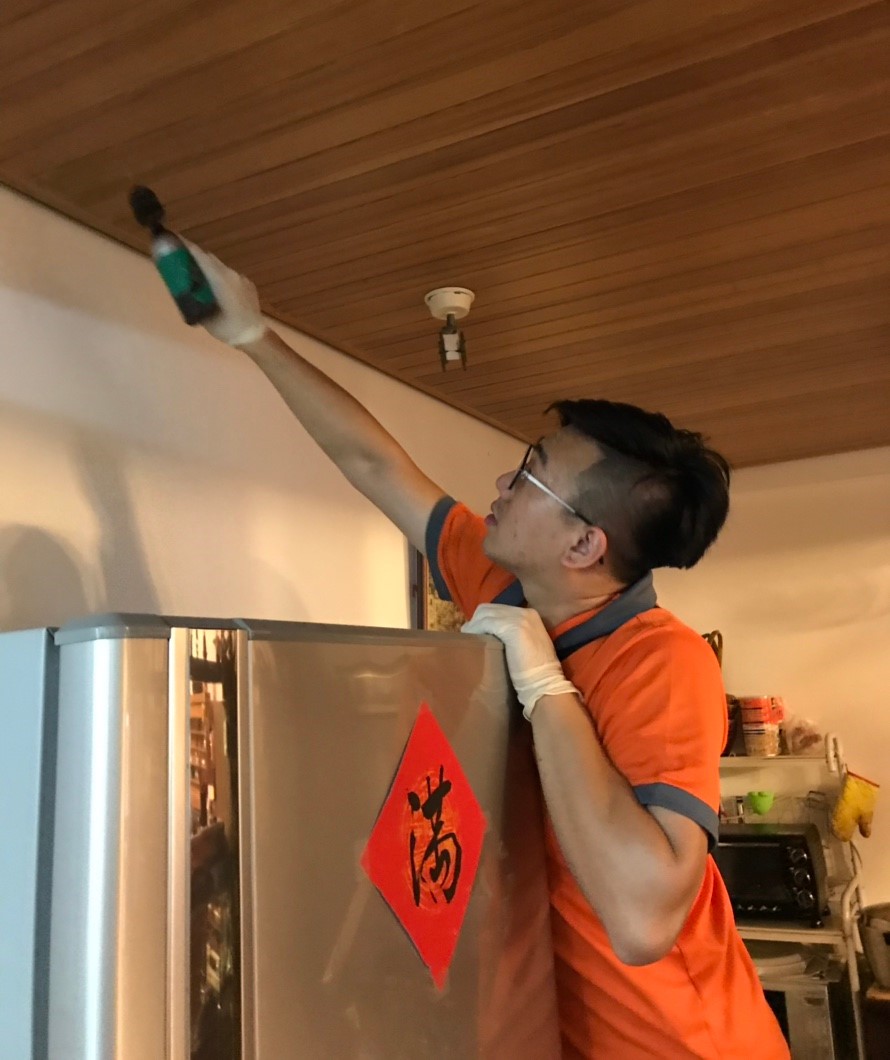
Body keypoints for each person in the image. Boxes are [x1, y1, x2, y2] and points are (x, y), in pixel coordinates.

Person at [181, 244, 790, 1059]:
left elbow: (643, 920)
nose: (501, 486)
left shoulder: (663, 663)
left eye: (530, 476)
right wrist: (254, 334)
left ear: (583, 545)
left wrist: (547, 687)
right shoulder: (504, 584)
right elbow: (375, 464)